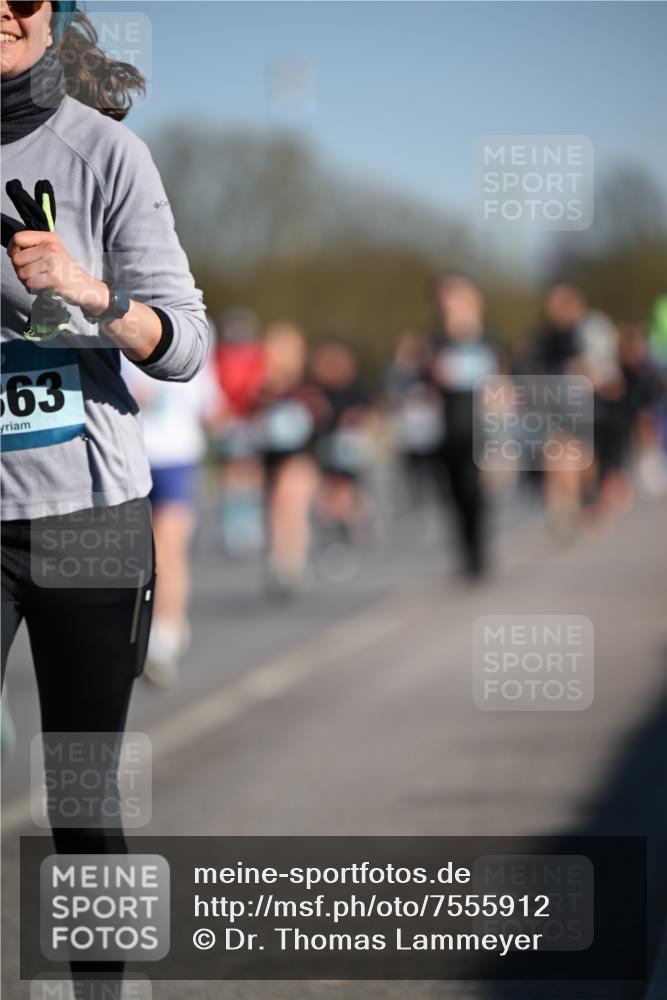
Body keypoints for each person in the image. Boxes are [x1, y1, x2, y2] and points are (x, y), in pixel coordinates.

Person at [1, 0, 208, 986]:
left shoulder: (105, 154)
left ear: (50, 12)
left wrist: (91, 293)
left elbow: (186, 343)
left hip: (86, 516)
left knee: (79, 800)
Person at [122, 327, 222, 688]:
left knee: (168, 544)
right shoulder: (97, 307)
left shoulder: (192, 315)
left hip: (176, 453)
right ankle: (152, 627)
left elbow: (206, 391)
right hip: (125, 453)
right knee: (131, 552)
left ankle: (163, 635)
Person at [430, 273, 498, 578]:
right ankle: (466, 552)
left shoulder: (489, 339)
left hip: (481, 426)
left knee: (475, 489)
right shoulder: (436, 342)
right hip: (447, 427)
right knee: (454, 492)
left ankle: (479, 554)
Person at [254, 322, 326, 597]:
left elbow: (322, 417)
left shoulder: (307, 387)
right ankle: (279, 555)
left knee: (292, 500)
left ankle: (293, 559)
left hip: (301, 455)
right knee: (276, 505)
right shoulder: (261, 388)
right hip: (273, 456)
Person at [310, 338, 376, 577]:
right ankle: (337, 533)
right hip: (325, 449)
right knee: (329, 495)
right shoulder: (316, 390)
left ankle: (346, 532)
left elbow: (367, 416)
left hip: (348, 451)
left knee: (345, 492)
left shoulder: (354, 390)